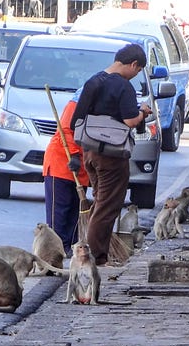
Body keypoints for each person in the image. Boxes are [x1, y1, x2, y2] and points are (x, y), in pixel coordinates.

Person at [70, 43, 151, 266]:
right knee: (108, 206)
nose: (135, 75)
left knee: (99, 201)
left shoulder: (93, 81)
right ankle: (94, 257)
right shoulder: (123, 86)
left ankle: (95, 252)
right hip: (112, 156)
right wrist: (143, 112)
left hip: (89, 152)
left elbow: (75, 120)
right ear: (134, 64)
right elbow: (130, 121)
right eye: (137, 70)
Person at [42, 88, 90, 257]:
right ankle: (54, 254)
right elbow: (66, 131)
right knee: (58, 215)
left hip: (82, 168)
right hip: (61, 162)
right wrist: (75, 155)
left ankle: (70, 250)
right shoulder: (76, 105)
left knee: (75, 215)